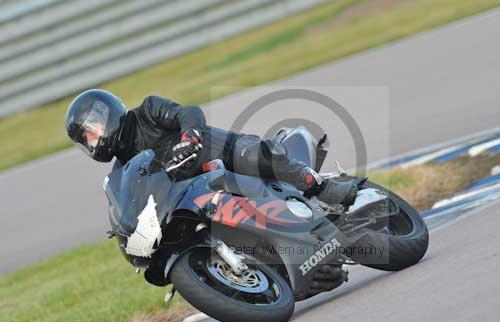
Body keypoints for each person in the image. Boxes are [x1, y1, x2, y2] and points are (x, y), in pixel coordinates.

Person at [64, 89, 357, 205]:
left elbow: (187, 113)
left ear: (105, 115)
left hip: (222, 153)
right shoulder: (123, 169)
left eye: (90, 132)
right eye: (84, 141)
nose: (91, 142)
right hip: (203, 191)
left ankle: (322, 188)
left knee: (255, 155)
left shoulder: (147, 111)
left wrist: (189, 137)